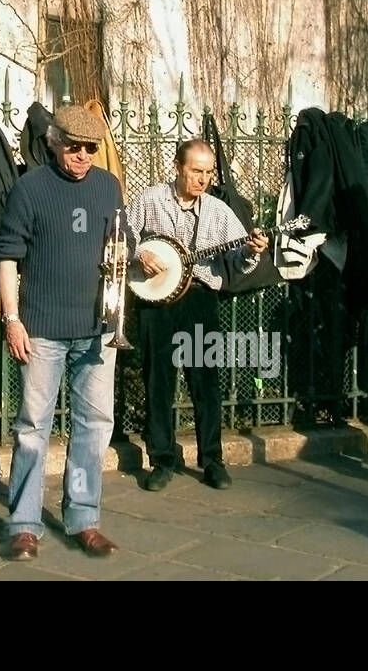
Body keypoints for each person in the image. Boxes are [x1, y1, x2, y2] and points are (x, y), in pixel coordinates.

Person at [0, 104, 125, 562]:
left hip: (96, 331)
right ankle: (25, 525)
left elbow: (117, 251)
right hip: (42, 330)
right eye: (75, 146)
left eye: (91, 148)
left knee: (93, 428)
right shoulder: (29, 188)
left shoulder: (109, 186)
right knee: (32, 429)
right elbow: (7, 258)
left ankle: (84, 520)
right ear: (53, 141)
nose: (84, 155)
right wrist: (12, 319)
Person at [128, 139, 267, 493]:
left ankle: (212, 461)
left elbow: (238, 261)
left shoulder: (219, 211)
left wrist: (251, 252)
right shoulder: (149, 200)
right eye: (195, 171)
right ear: (177, 167)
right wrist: (140, 255)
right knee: (158, 382)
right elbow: (122, 238)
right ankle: (161, 460)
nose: (202, 180)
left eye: (208, 173)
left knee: (205, 381)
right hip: (156, 304)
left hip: (200, 300)